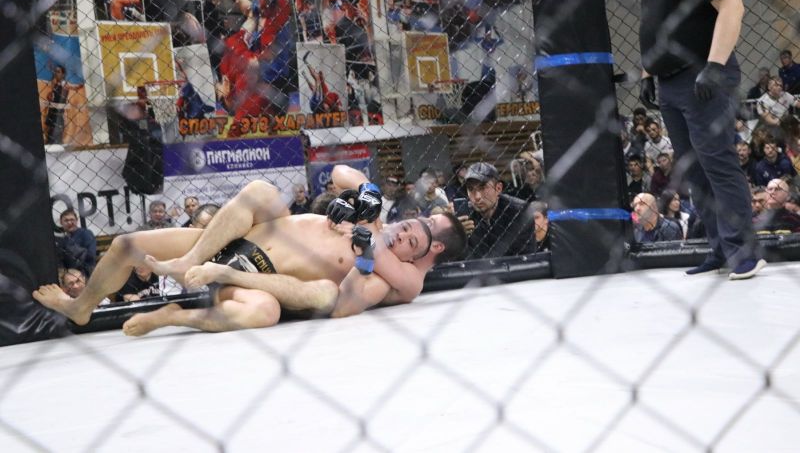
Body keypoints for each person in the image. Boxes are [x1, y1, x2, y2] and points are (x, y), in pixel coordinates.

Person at [33, 165, 467, 335]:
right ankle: (82, 307)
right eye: (407, 227)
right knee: (127, 244)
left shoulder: (383, 272)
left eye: (413, 241)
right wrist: (366, 192)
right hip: (234, 239)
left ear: (420, 255)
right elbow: (340, 171)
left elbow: (346, 304)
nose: (404, 234)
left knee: (266, 312)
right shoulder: (372, 216)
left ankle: (172, 315)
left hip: (250, 279)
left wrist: (367, 254)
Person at [628, 0, 765, 279]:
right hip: (670, 82)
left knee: (717, 161)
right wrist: (647, 73)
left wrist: (715, 65)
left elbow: (732, 9)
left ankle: (744, 252)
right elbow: (654, 24)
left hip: (703, 75)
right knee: (693, 168)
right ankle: (719, 248)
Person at [459, 162, 536, 259]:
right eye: (471, 189)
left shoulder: (520, 211)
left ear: (498, 188)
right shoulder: (464, 215)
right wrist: (458, 236)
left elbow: (526, 256)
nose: (477, 196)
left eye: (483, 188)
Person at [54, 208, 97, 277]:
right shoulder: (64, 240)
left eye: (72, 220)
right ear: (61, 223)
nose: (69, 222)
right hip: (70, 274)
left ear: (77, 221)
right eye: (66, 220)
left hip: (87, 271)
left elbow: (91, 255)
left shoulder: (85, 233)